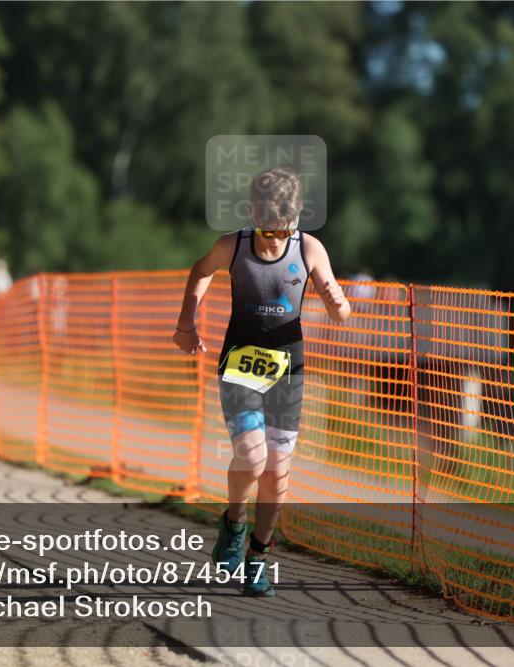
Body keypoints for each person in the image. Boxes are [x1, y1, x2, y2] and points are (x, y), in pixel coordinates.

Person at [173, 167, 351, 597]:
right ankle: (235, 523)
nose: (273, 239)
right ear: (251, 213)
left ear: (297, 218)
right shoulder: (232, 245)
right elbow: (200, 271)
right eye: (265, 229)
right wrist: (186, 324)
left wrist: (336, 303)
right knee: (252, 458)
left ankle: (257, 557)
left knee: (276, 472)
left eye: (282, 230)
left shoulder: (308, 248)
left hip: (288, 371)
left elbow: (340, 310)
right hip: (241, 364)